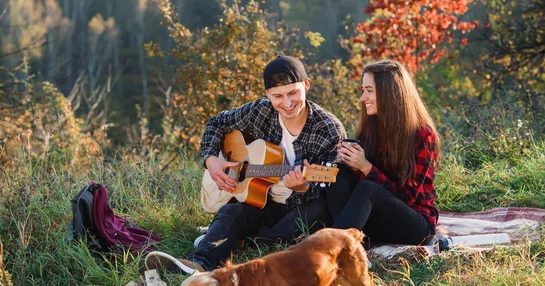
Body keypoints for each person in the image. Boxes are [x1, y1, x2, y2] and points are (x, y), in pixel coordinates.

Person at [145, 55, 346, 274]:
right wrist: (211, 160)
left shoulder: (329, 129)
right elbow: (216, 123)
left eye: (293, 93)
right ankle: (198, 263)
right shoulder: (260, 110)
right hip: (262, 200)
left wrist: (305, 187)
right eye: (278, 96)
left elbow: (335, 188)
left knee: (318, 213)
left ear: (306, 86)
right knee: (232, 211)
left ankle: (239, 238)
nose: (287, 103)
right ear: (267, 94)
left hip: (298, 205)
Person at [326, 59, 441, 247]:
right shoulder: (371, 128)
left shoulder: (422, 135)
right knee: (337, 174)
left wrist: (365, 166)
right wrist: (350, 163)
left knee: (368, 188)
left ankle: (332, 250)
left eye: (369, 91)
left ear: (390, 93)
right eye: (363, 90)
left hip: (415, 225)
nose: (363, 98)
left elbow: (407, 198)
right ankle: (353, 244)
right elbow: (363, 191)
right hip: (378, 221)